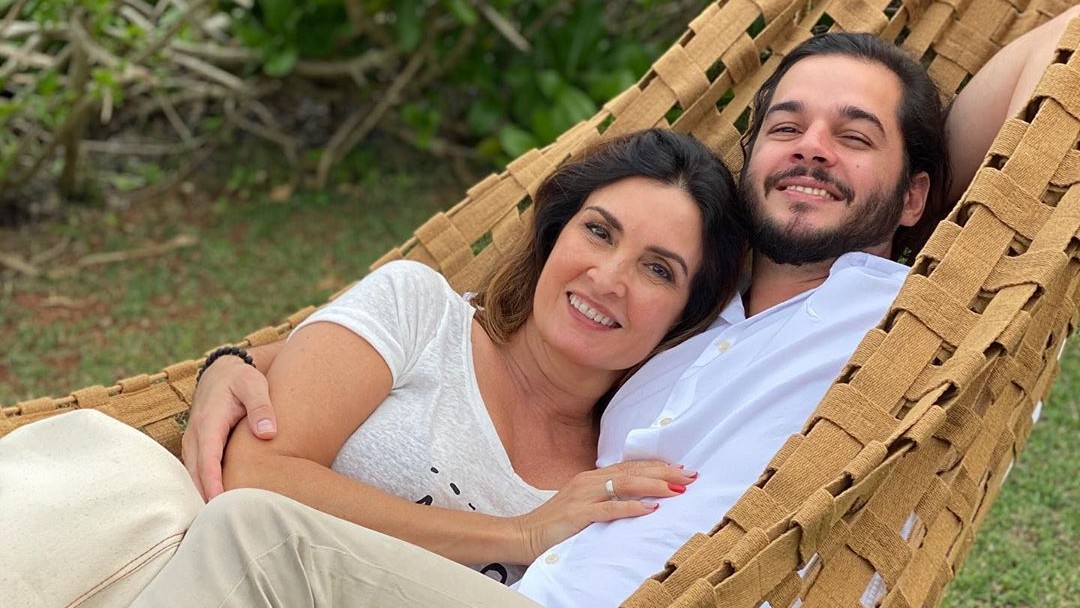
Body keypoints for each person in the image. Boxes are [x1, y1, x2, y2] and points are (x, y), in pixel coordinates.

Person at [162, 7, 1079, 606]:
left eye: (855, 135)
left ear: (917, 197)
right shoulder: (678, 317)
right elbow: (481, 336)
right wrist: (229, 366)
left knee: (254, 535)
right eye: (788, 126)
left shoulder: (915, 314)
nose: (811, 150)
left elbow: (1049, 69)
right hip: (513, 594)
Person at [0, 129, 747, 608]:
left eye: (657, 268)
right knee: (97, 461)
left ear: (684, 313)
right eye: (597, 231)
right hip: (192, 585)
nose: (609, 277)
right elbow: (258, 477)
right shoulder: (420, 311)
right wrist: (514, 536)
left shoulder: (618, 471)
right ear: (554, 236)